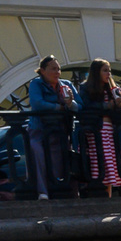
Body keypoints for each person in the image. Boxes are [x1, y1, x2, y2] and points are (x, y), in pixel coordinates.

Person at [74, 58, 121, 195]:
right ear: (96, 72)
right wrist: (106, 106)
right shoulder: (86, 88)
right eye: (105, 70)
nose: (108, 74)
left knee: (109, 166)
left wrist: (119, 104)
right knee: (97, 164)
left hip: (110, 131)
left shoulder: (113, 88)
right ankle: (97, 195)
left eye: (109, 71)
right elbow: (86, 105)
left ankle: (108, 195)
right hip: (95, 130)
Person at [23, 55, 74, 199]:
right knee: (38, 156)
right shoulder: (36, 84)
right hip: (39, 129)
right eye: (53, 69)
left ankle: (59, 190)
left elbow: (80, 105)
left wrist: (71, 103)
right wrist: (59, 107)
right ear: (43, 71)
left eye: (58, 69)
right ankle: (42, 192)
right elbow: (37, 103)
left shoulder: (66, 85)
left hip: (60, 131)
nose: (57, 72)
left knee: (59, 161)